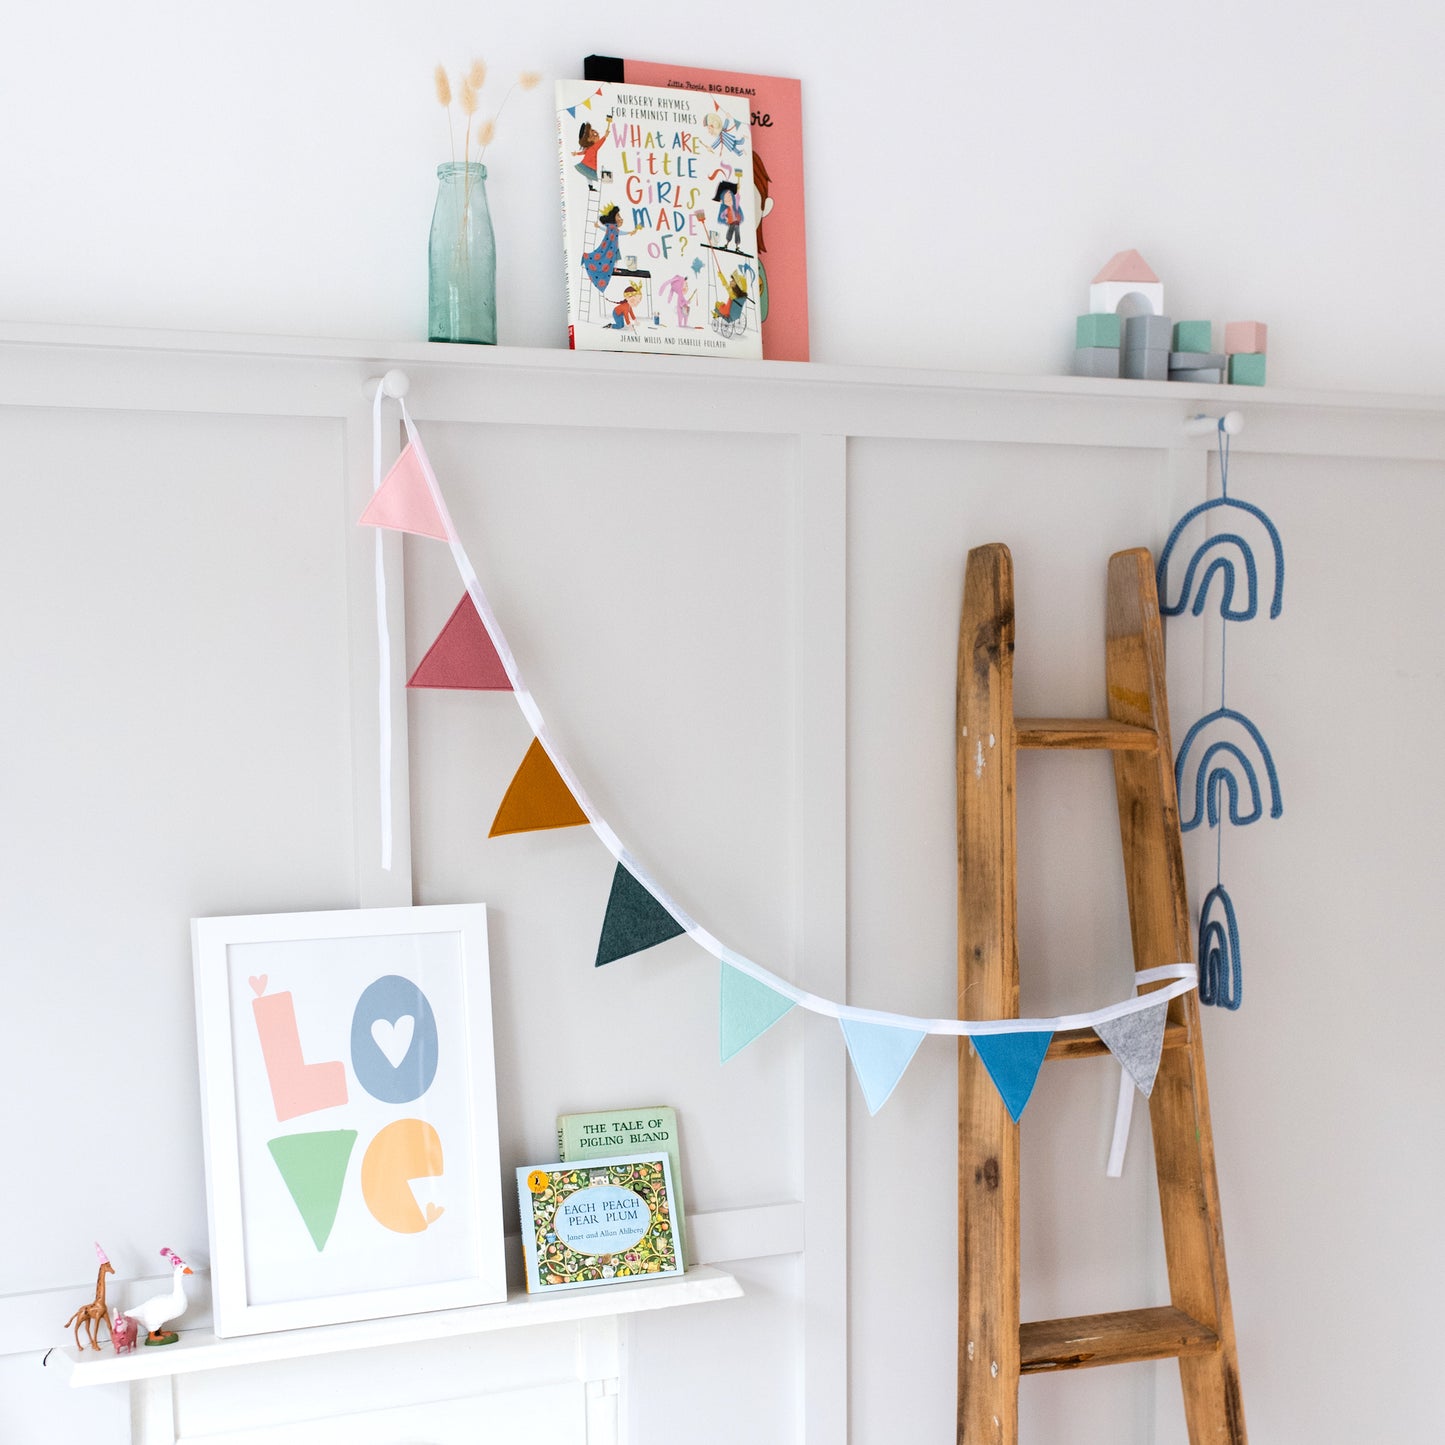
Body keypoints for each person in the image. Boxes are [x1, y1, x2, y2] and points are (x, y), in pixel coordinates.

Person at [581, 203, 634, 292]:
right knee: (613, 257)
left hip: (614, 247)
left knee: (616, 257)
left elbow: (619, 232)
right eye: (618, 216)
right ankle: (588, 259)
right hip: (609, 247)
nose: (620, 218)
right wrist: (629, 233)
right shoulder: (611, 227)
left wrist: (629, 233)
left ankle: (615, 268)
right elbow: (613, 231)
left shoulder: (614, 228)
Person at [573, 115, 613, 186]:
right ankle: (606, 181)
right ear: (589, 139)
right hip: (589, 166)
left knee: (588, 177)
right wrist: (605, 136)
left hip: (586, 165)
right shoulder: (594, 147)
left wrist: (576, 154)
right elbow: (600, 142)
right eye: (592, 133)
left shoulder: (590, 147)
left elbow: (583, 152)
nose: (595, 133)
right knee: (592, 174)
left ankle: (591, 186)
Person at [714, 180, 743, 249]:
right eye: (726, 199)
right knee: (730, 232)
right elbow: (722, 215)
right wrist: (726, 219)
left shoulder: (735, 206)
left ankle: (737, 245)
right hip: (731, 222)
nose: (729, 199)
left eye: (730, 197)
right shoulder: (727, 209)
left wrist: (738, 190)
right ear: (722, 200)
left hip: (736, 222)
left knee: (737, 232)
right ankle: (727, 243)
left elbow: (738, 198)